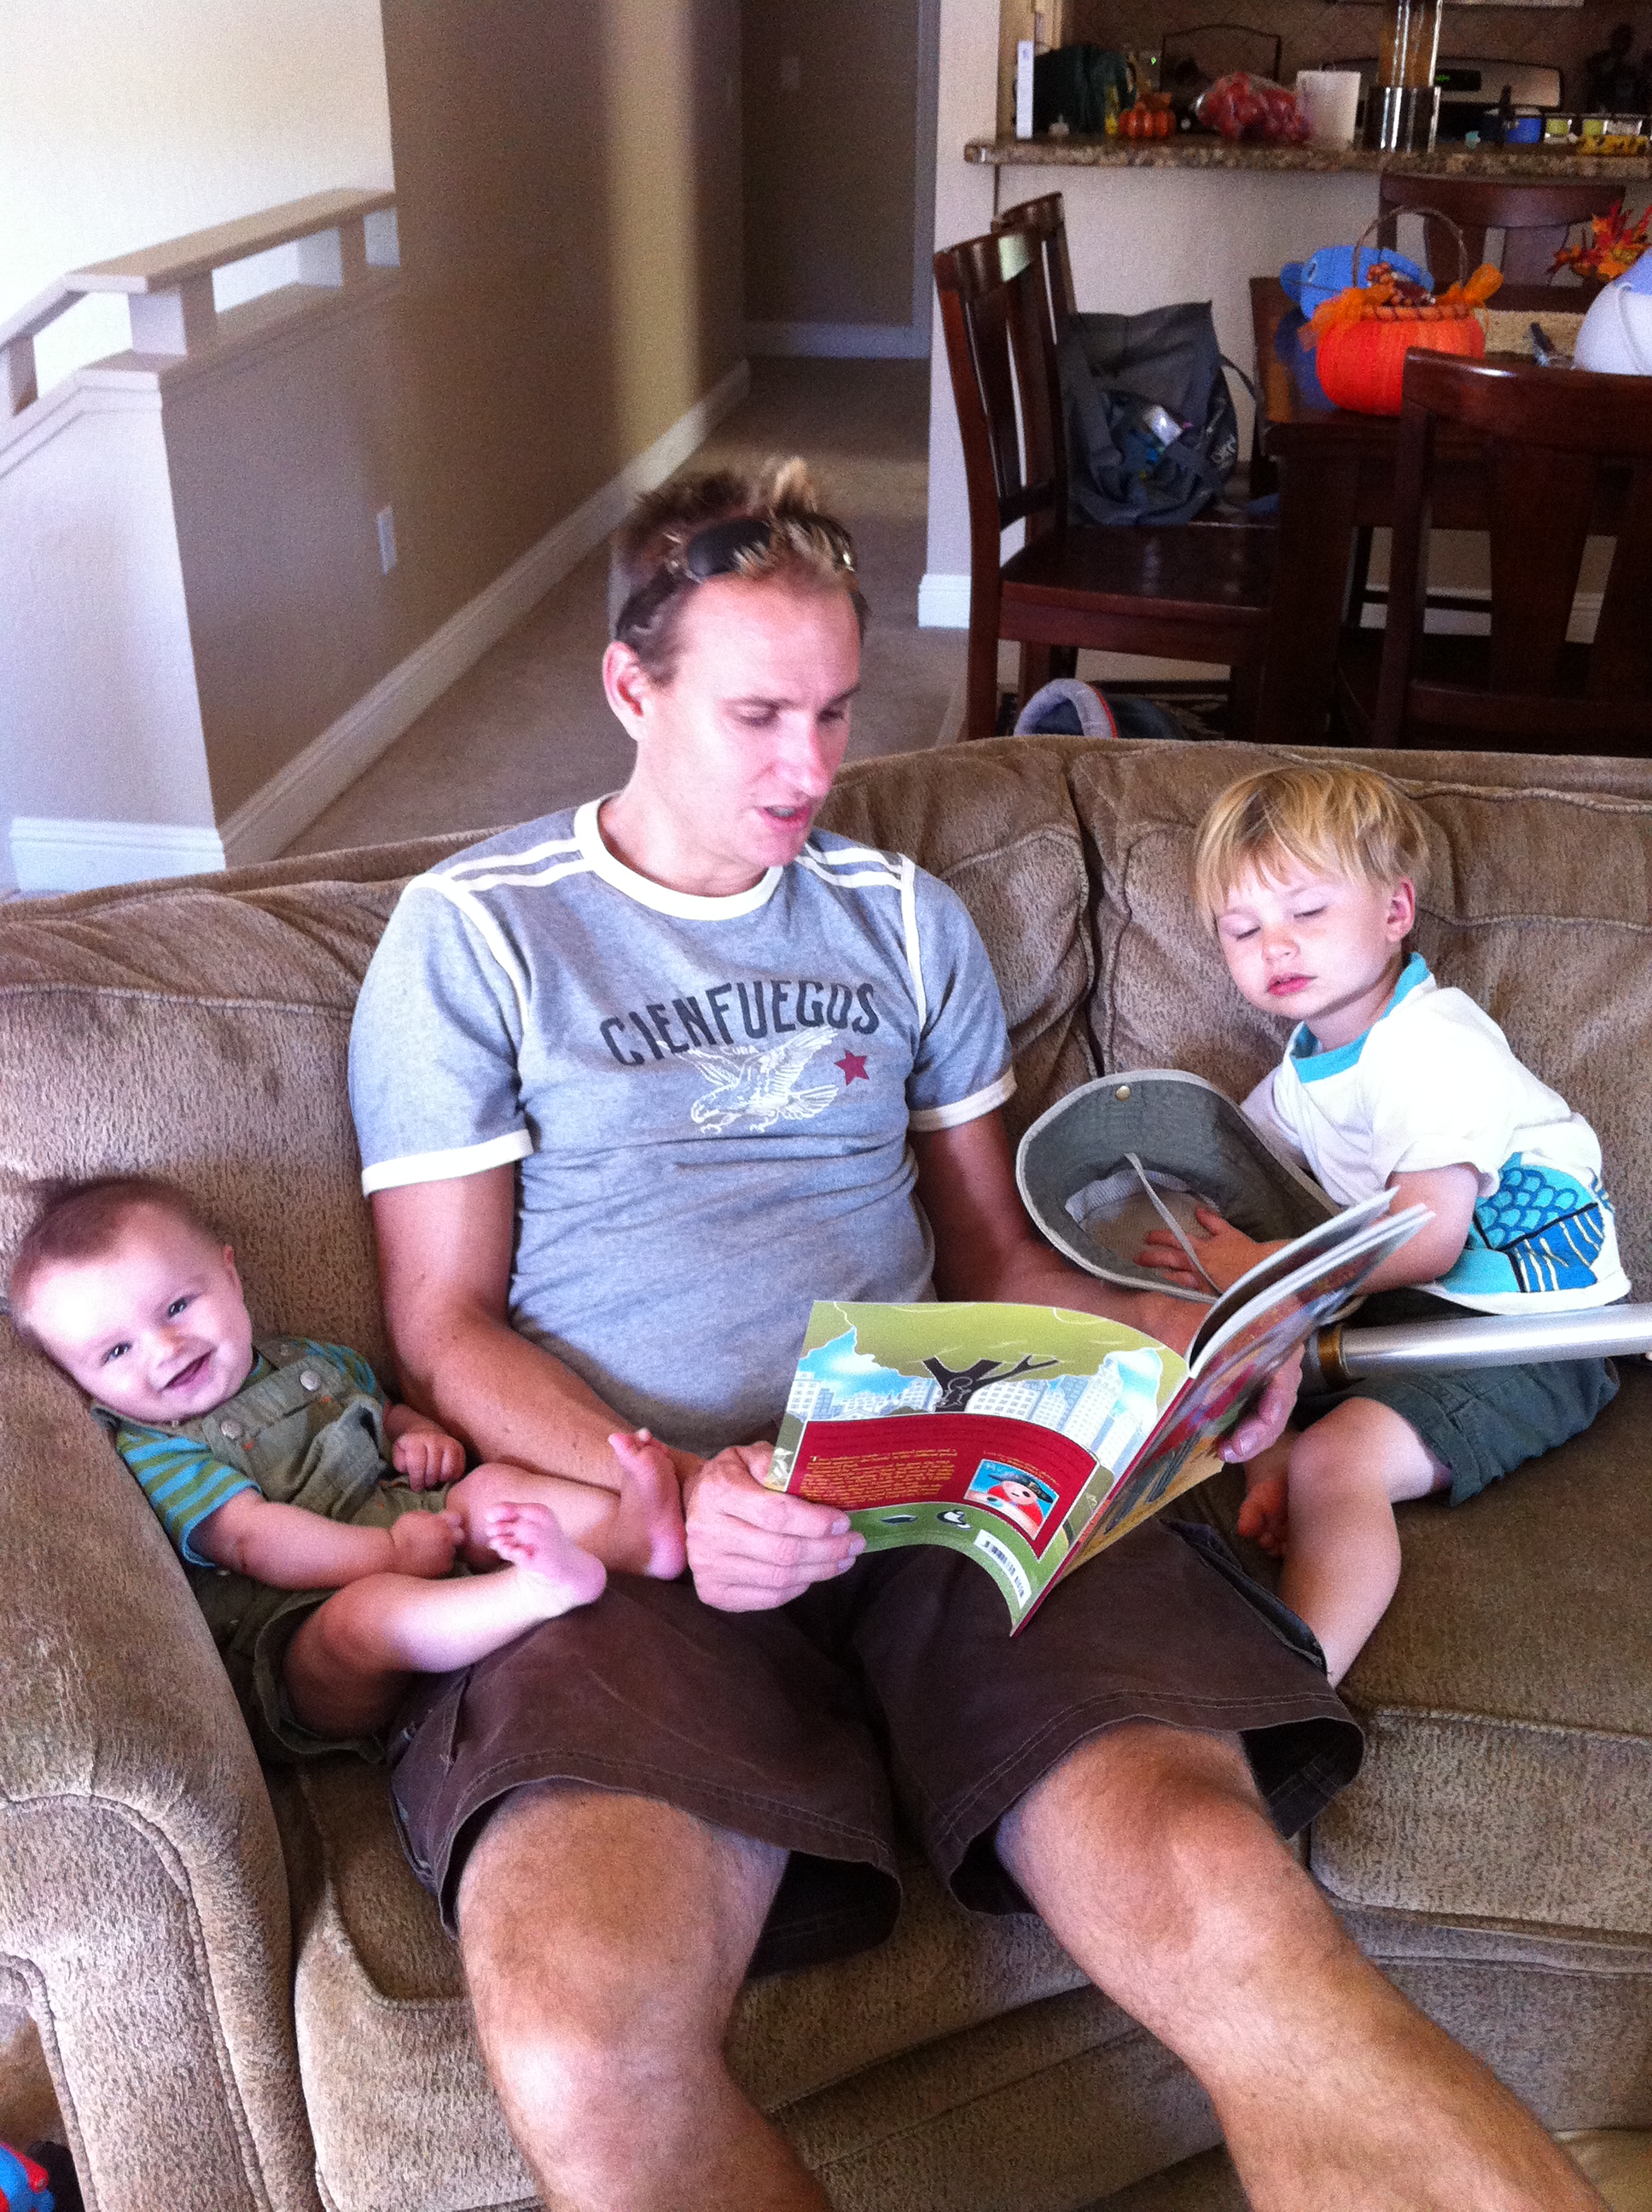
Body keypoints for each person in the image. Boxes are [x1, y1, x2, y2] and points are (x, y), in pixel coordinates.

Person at [346, 460, 1605, 2210]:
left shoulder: (898, 921)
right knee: (581, 2038)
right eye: (757, 715)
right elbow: (444, 1326)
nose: (807, 767)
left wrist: (1194, 1344)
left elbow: (994, 1253)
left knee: (1234, 1909)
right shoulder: (478, 934)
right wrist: (684, 1494)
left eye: (835, 712)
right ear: (631, 689)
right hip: (632, 1533)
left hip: (937, 1477)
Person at [1141, 764, 1622, 1684]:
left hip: (1529, 1338)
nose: (1276, 945)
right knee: (1213, 1367)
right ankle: (1269, 1460)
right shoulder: (1304, 1071)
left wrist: (1266, 1266)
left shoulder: (1430, 1044)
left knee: (1340, 1463)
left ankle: (1296, 1689)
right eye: (1243, 929)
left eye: (1307, 912)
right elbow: (1232, 1164)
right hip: (1407, 1322)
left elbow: (1428, 1236)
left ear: (1396, 910)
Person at [8, 1175, 684, 1754]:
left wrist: (419, 1435)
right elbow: (253, 1539)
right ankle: (534, 1593)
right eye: (116, 1352)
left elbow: (382, 1411)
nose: (165, 1348)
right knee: (365, 1617)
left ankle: (629, 1540)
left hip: (413, 1522)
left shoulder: (310, 1358)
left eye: (178, 1306)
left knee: (490, 1488)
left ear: (230, 1275)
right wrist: (387, 1554)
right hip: (302, 1637)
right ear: (81, 1384)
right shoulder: (154, 1448)